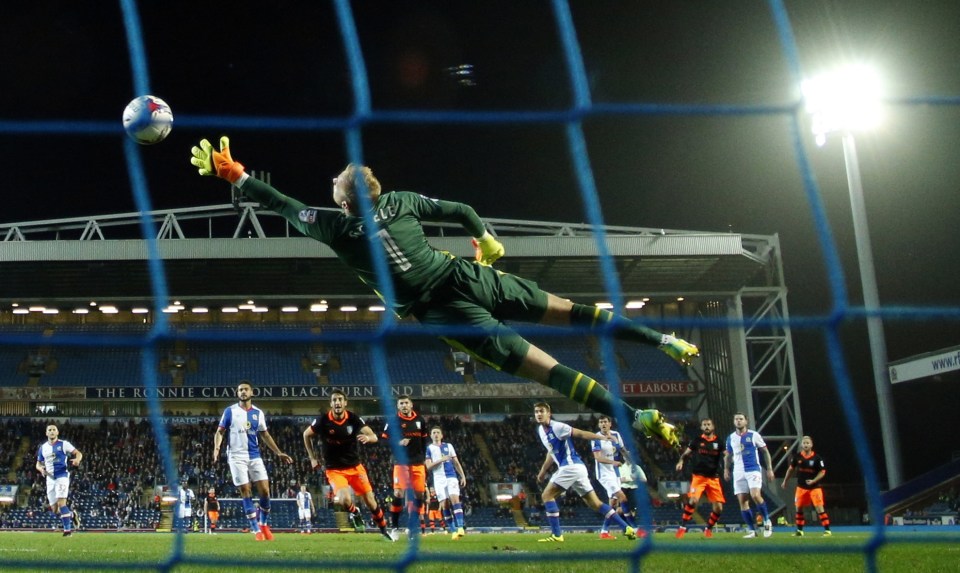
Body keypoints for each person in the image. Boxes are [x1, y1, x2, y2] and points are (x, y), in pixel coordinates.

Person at [189, 138, 698, 444]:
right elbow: (459, 209)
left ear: (343, 205)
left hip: (444, 311)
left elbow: (279, 203)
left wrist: (236, 175)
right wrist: (487, 239)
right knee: (577, 312)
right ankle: (663, 341)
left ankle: (638, 418)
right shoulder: (402, 201)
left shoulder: (336, 229)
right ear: (378, 192)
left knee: (549, 371)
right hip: (465, 274)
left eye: (336, 187)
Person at [533, 402, 636, 543]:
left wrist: (601, 437)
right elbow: (551, 452)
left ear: (548, 413)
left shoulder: (557, 427)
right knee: (596, 504)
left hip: (570, 467)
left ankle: (557, 535)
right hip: (577, 469)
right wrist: (543, 470)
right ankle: (627, 528)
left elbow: (580, 433)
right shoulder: (541, 430)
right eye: (536, 412)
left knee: (547, 495)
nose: (539, 414)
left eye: (541, 411)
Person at [302, 390, 396, 541]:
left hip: (355, 467)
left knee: (371, 502)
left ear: (345, 403)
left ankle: (384, 530)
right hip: (334, 470)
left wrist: (368, 438)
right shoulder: (323, 420)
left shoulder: (353, 419)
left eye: (340, 399)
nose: (337, 402)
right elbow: (306, 435)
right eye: (334, 400)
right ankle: (355, 512)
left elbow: (373, 436)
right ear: (330, 403)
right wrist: (312, 458)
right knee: (344, 499)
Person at [213, 379, 293, 541]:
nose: (243, 392)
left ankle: (263, 524)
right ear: (237, 393)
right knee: (246, 490)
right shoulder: (230, 411)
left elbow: (265, 434)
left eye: (246, 389)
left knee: (265, 490)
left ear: (252, 393)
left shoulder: (258, 413)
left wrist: (278, 452)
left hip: (255, 455)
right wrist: (216, 449)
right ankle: (256, 529)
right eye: (240, 390)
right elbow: (220, 432)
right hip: (236, 456)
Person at [380, 395, 429, 536]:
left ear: (411, 404)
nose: (404, 405)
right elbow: (383, 441)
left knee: (419, 494)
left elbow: (424, 441)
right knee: (398, 493)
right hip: (401, 462)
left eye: (406, 403)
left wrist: (424, 457)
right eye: (401, 403)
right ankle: (394, 527)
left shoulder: (420, 420)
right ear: (398, 406)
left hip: (418, 462)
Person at [723, 412, 775, 538]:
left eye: (741, 419)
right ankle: (752, 530)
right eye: (736, 419)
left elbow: (765, 451)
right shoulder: (731, 437)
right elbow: (728, 455)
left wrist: (769, 469)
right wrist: (726, 469)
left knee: (756, 495)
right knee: (742, 501)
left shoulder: (754, 435)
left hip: (753, 469)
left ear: (746, 421)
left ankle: (767, 522)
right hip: (738, 471)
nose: (738, 421)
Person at [675, 417, 725, 539]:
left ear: (713, 427)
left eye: (709, 424)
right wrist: (681, 461)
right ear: (701, 427)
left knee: (718, 508)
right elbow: (686, 453)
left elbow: (726, 455)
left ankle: (708, 528)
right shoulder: (697, 440)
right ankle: (682, 527)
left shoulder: (719, 442)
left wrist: (730, 461)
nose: (707, 426)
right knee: (693, 501)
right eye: (704, 425)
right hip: (699, 477)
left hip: (714, 477)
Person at [591, 415, 639, 539]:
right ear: (598, 425)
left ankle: (604, 531)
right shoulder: (596, 438)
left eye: (605, 422)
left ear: (610, 424)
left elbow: (623, 450)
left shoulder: (616, 435)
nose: (603, 424)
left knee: (613, 503)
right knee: (622, 497)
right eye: (601, 422)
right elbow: (598, 458)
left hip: (615, 474)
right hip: (604, 474)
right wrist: (614, 463)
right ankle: (633, 527)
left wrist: (631, 462)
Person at [35, 424, 82, 537]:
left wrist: (77, 460)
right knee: (55, 510)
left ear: (57, 432)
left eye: (53, 430)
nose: (51, 431)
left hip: (62, 477)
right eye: (49, 430)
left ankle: (67, 531)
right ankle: (71, 515)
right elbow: (38, 463)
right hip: (49, 479)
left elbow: (78, 453)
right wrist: (41, 468)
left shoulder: (64, 444)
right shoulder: (43, 447)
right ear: (46, 433)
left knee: (62, 503)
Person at [781, 435, 832, 537]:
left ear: (811, 445)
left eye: (808, 443)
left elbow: (822, 472)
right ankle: (799, 531)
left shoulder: (817, 458)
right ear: (801, 445)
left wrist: (814, 480)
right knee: (798, 508)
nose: (806, 445)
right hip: (801, 487)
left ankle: (827, 530)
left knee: (819, 508)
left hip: (814, 487)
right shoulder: (797, 457)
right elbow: (790, 469)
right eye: (804, 443)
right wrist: (785, 481)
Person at [425, 426, 467, 539]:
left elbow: (456, 462)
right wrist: (441, 460)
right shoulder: (429, 448)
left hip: (451, 476)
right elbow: (428, 466)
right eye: (434, 433)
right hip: (438, 479)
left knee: (455, 499)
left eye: (438, 432)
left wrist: (462, 476)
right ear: (431, 435)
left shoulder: (449, 446)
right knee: (445, 505)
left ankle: (460, 527)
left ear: (442, 435)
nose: (436, 434)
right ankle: (453, 531)